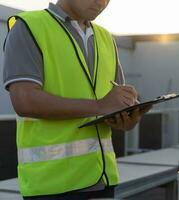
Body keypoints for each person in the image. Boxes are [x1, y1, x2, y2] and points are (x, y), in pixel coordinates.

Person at [2, 0, 151, 199]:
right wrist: (100, 106)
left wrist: (126, 119)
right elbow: (25, 101)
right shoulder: (28, 27)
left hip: (102, 180)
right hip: (52, 187)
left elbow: (111, 104)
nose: (102, 2)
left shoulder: (105, 38)